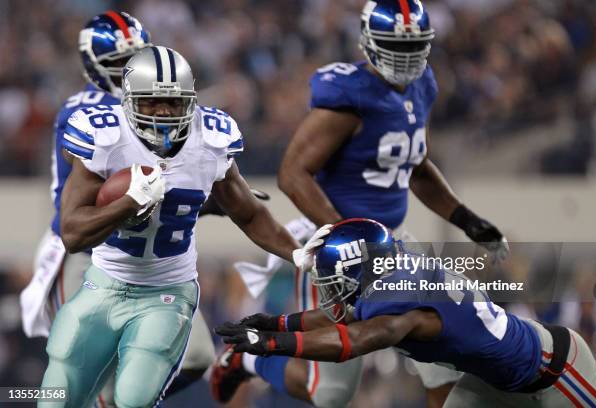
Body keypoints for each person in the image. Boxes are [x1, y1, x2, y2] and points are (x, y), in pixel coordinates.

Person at [212, 1, 508, 407]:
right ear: (368, 42)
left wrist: (465, 218)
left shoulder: (423, 86)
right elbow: (292, 174)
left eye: (412, 47)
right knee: (332, 392)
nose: (405, 59)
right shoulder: (348, 98)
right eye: (394, 47)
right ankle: (246, 363)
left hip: (394, 242)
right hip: (339, 247)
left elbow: (416, 166)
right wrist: (348, 238)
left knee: (446, 358)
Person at [37, 45, 310, 408]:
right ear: (129, 100)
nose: (164, 112)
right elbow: (72, 233)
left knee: (133, 398)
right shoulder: (105, 137)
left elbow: (249, 214)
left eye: (174, 103)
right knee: (57, 395)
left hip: (167, 291)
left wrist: (297, 251)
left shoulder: (210, 139)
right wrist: (127, 205)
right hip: (104, 282)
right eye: (152, 102)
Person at [19, 12, 225, 407]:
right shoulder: (88, 115)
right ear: (93, 65)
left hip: (149, 261)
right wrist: (130, 205)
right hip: (91, 252)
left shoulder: (156, 105)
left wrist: (209, 199)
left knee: (196, 356)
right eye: (116, 64)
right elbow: (89, 206)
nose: (126, 71)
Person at [217, 219, 596, 408]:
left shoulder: (402, 298)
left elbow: (356, 339)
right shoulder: (395, 270)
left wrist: (272, 343)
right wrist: (275, 324)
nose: (330, 294)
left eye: (335, 282)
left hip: (554, 371)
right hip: (493, 383)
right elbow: (346, 320)